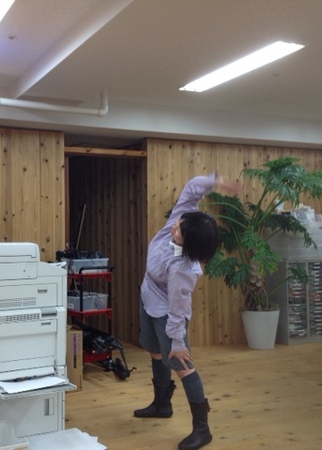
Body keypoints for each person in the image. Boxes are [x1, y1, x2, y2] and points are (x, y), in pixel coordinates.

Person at [134, 173, 241, 450]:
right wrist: (217, 180)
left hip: (168, 314)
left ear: (189, 243)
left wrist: (177, 342)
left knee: (182, 366)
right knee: (154, 352)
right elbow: (191, 190)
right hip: (148, 298)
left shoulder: (184, 269)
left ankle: (202, 430)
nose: (174, 226)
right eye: (178, 223)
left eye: (179, 230)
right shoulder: (180, 221)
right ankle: (161, 405)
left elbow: (177, 309)